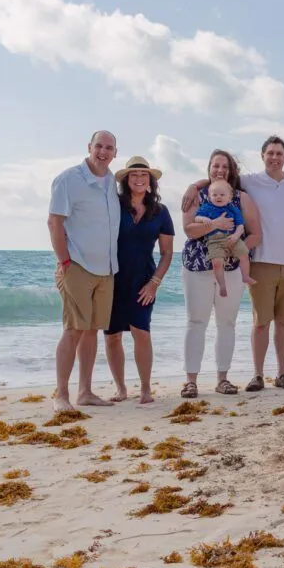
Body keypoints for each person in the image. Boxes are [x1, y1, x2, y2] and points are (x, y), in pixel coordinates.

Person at [47, 130, 122, 412]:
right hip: (77, 266)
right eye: (99, 146)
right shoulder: (69, 179)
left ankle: (85, 392)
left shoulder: (113, 182)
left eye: (109, 148)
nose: (103, 152)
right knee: (73, 330)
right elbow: (54, 222)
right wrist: (65, 261)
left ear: (115, 153)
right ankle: (61, 395)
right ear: (89, 147)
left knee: (91, 331)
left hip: (107, 269)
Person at [179, 149, 261, 398]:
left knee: (227, 323)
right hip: (197, 267)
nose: (220, 170)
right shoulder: (197, 194)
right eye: (216, 166)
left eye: (225, 166)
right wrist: (214, 225)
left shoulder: (241, 198)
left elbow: (256, 234)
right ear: (209, 168)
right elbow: (189, 230)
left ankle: (222, 379)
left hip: (232, 269)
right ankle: (191, 381)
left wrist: (235, 247)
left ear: (231, 170)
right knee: (196, 322)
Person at [236, 136, 284, 391]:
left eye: (279, 153)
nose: (275, 157)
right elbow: (218, 179)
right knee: (261, 321)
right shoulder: (249, 181)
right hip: (261, 261)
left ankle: (282, 374)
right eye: (270, 153)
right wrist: (193, 187)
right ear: (262, 155)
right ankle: (257, 374)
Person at [103, 156, 174, 405]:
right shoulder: (114, 205)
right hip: (111, 278)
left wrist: (154, 283)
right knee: (112, 335)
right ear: (126, 180)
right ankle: (121, 388)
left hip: (144, 279)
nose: (139, 179)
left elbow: (167, 253)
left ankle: (145, 388)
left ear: (151, 181)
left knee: (141, 331)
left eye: (144, 175)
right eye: (134, 175)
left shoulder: (161, 212)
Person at [194, 180, 255, 297]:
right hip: (214, 240)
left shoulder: (233, 209)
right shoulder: (206, 207)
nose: (218, 197)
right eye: (215, 195)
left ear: (229, 197)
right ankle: (222, 285)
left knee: (244, 255)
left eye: (222, 195)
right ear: (209, 197)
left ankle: (245, 276)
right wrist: (203, 219)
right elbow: (196, 218)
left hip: (232, 238)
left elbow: (240, 226)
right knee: (217, 263)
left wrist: (236, 236)